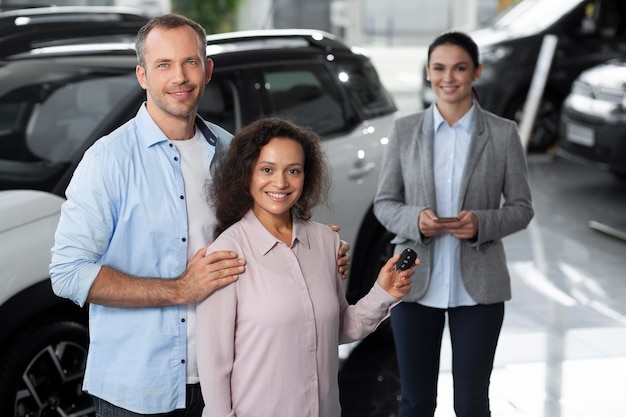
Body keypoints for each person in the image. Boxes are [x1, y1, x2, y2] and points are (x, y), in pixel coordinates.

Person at [48, 14, 350, 417]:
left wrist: (313, 247)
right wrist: (179, 289)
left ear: (207, 70)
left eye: (190, 62)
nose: (180, 77)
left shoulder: (231, 153)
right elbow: (67, 273)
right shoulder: (107, 161)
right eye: (164, 64)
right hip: (138, 391)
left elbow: (263, 232)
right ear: (142, 75)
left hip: (225, 382)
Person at [196, 116, 415, 417]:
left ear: (306, 176)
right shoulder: (226, 254)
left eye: (293, 171)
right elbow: (214, 362)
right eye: (267, 169)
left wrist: (383, 293)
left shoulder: (326, 242)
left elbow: (335, 329)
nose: (281, 182)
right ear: (246, 175)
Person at [373, 31, 534, 417]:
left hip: (479, 288)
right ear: (428, 72)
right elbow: (384, 203)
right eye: (439, 68)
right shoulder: (405, 130)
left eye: (460, 68)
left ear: (475, 72)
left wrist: (481, 223)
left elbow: (521, 208)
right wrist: (416, 219)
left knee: (472, 404)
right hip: (413, 282)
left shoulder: (502, 133)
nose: (449, 78)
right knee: (415, 401)